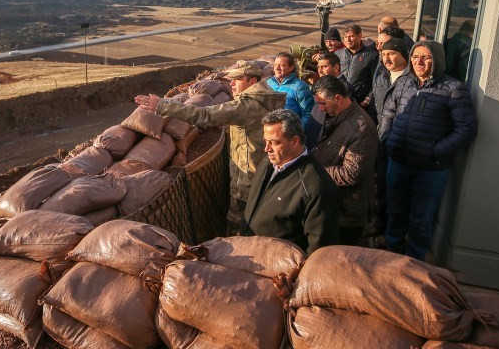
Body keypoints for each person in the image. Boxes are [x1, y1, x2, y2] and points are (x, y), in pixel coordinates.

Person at [134, 61, 286, 231]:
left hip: (246, 183)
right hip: (261, 176)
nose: (232, 84)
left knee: (238, 227)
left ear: (252, 82)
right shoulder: (267, 99)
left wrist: (163, 106)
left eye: (237, 79)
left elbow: (205, 114)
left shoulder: (246, 106)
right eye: (230, 80)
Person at [379, 41, 477, 261]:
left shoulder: (454, 89)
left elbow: (466, 129)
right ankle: (391, 258)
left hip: (430, 169)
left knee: (421, 220)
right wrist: (388, 140)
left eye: (426, 57)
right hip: (398, 162)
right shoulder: (404, 82)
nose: (419, 62)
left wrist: (435, 151)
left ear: (438, 60)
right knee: (395, 213)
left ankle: (415, 264)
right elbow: (388, 114)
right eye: (415, 57)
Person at [242, 109, 340, 254]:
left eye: (274, 143)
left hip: (277, 270)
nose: (266, 149)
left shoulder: (315, 186)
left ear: (294, 141)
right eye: (266, 141)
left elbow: (320, 248)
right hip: (251, 255)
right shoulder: (267, 163)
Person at [309, 76, 378, 246]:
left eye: (323, 103)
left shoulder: (361, 128)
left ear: (338, 98)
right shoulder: (339, 115)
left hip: (347, 212)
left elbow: (350, 173)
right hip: (335, 205)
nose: (320, 108)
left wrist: (314, 170)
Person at [366, 37, 410, 246]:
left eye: (391, 53)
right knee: (381, 186)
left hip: (403, 144)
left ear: (403, 53)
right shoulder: (382, 74)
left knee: (397, 192)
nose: (386, 58)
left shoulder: (411, 79)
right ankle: (380, 226)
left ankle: (394, 235)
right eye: (383, 54)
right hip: (382, 138)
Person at [335, 24, 379, 114]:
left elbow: (377, 80)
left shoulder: (372, 55)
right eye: (345, 37)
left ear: (360, 36)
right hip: (340, 101)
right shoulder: (338, 54)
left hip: (359, 103)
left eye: (351, 36)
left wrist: (369, 98)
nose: (348, 40)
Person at [266, 52, 314, 129]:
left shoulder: (300, 87)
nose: (277, 68)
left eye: (282, 65)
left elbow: (308, 114)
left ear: (291, 68)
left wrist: (298, 131)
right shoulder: (268, 83)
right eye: (275, 65)